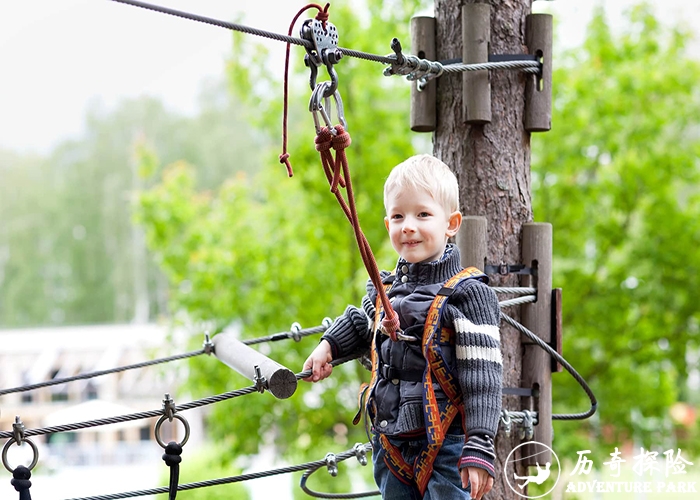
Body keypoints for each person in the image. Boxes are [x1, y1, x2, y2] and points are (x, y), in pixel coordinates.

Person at [302, 154, 502, 500]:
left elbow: (483, 379)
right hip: (391, 444)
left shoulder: (468, 295)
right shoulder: (384, 290)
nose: (408, 225)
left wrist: (479, 445)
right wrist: (329, 346)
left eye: (423, 214)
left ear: (451, 223)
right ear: (387, 225)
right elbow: (361, 323)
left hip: (448, 448)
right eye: (398, 216)